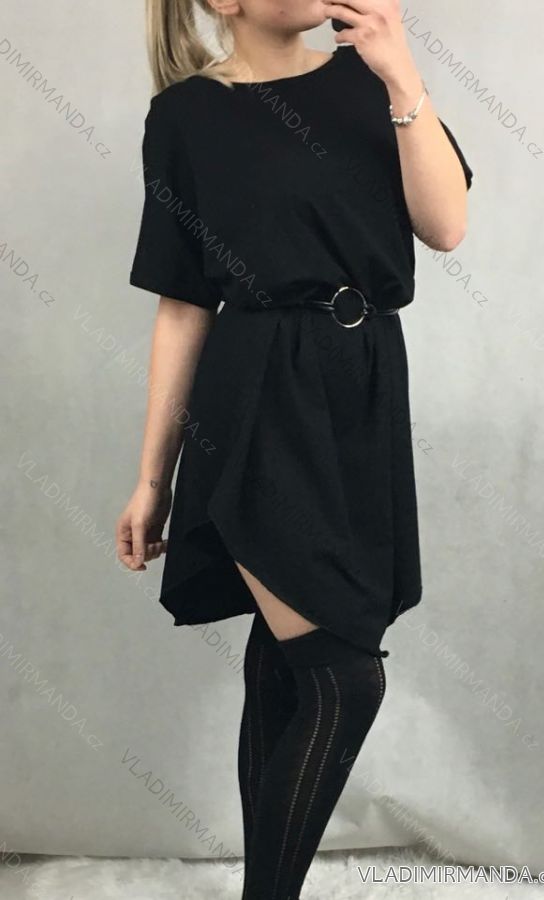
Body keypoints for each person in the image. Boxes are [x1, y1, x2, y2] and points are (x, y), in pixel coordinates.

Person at [116, 0, 473, 896]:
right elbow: (183, 303)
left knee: (286, 660)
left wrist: (400, 75)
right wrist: (154, 477)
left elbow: (447, 226)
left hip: (364, 388)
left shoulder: (371, 81)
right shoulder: (187, 116)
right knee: (343, 678)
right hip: (257, 397)